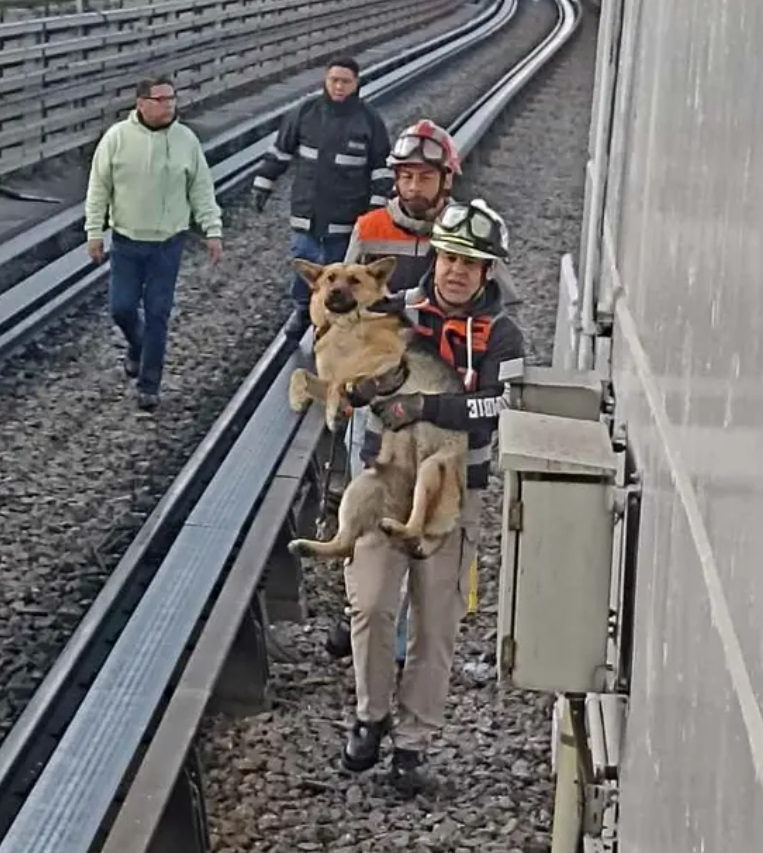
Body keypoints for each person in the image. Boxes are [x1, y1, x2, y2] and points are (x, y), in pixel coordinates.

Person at [338, 198, 525, 794]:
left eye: (470, 263)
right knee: (370, 605)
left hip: (451, 495)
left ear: (487, 272)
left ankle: (413, 745)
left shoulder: (502, 334)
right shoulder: (394, 310)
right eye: (448, 258)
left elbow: (502, 406)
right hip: (383, 478)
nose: (455, 271)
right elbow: (351, 359)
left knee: (436, 625)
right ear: (434, 259)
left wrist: (429, 406)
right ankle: (371, 714)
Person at [323, 120, 463, 668]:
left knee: (416, 509)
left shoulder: (460, 231)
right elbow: (340, 303)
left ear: (444, 180)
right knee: (368, 495)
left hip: (429, 399)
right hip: (377, 393)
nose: (414, 188)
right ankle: (359, 604)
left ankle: (397, 633)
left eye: (424, 177)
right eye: (406, 176)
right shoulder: (371, 227)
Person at [85, 75, 223, 412]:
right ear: (141, 103)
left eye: (171, 99)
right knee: (122, 308)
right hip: (127, 241)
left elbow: (201, 188)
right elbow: (99, 187)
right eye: (160, 100)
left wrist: (212, 229)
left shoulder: (185, 140)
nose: (168, 106)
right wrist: (94, 231)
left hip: (167, 243)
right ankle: (137, 346)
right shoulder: (117, 139)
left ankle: (149, 385)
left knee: (159, 312)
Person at [250, 56, 393, 340]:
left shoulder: (369, 122)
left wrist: (376, 209)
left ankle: (335, 330)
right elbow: (281, 152)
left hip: (346, 218)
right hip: (307, 213)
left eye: (345, 81)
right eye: (334, 80)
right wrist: (263, 183)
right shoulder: (304, 113)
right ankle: (303, 312)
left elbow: (381, 168)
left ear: (356, 84)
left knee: (340, 279)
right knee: (306, 266)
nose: (339, 86)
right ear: (326, 81)